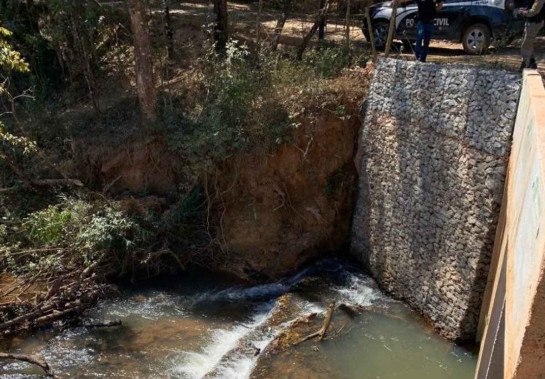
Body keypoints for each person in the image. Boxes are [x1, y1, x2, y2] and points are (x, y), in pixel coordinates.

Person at [515, 0, 545, 70]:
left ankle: (525, 63)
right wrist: (525, 9)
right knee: (528, 43)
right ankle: (532, 63)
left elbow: (534, 11)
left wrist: (523, 12)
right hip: (531, 22)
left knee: (526, 44)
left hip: (535, 22)